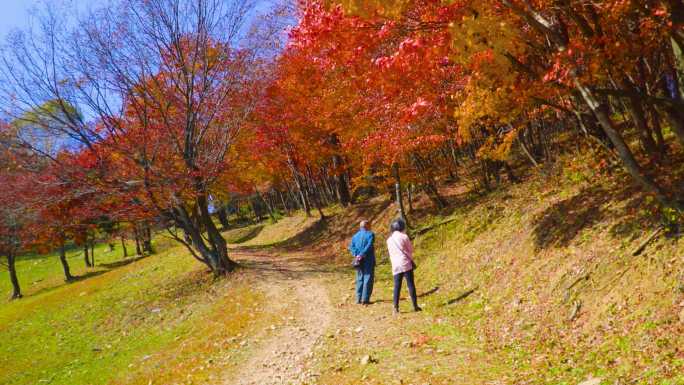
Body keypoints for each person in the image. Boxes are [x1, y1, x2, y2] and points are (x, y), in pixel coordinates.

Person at [386, 218, 421, 313]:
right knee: (410, 285)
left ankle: (395, 308)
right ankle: (415, 306)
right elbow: (410, 249)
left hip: (395, 265)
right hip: (405, 263)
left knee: (397, 286)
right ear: (402, 226)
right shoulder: (404, 236)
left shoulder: (389, 240)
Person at [349, 220, 375, 305]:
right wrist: (362, 254)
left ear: (360, 227)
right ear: (367, 226)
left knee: (359, 278)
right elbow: (369, 245)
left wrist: (356, 254)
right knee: (368, 278)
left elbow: (351, 247)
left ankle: (358, 299)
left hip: (358, 260)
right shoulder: (370, 234)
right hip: (368, 259)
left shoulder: (355, 236)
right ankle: (365, 299)